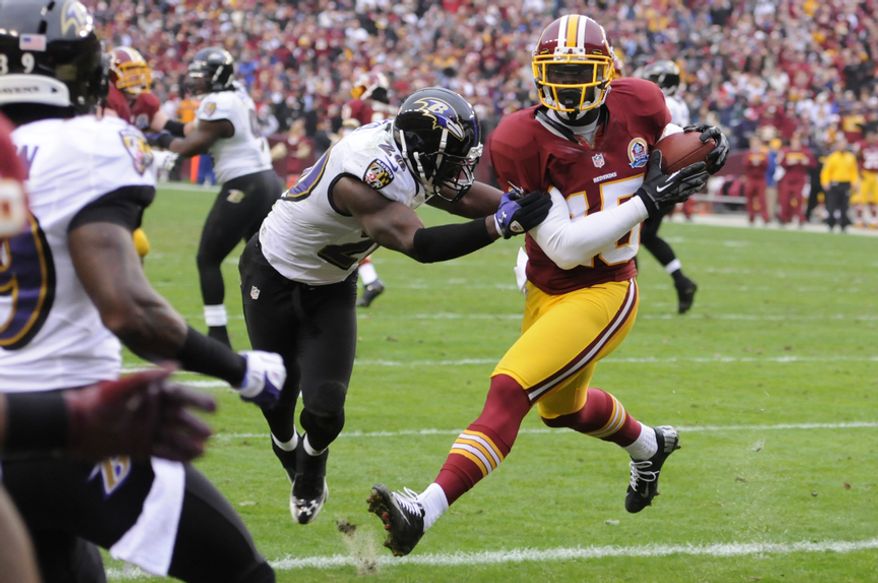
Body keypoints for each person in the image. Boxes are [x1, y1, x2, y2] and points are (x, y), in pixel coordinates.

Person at [367, 14, 726, 557]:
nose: (569, 85)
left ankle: (424, 508)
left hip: (607, 289)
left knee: (510, 389)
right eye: (558, 73)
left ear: (607, 70)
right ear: (538, 74)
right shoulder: (519, 138)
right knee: (562, 411)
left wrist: (705, 148)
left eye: (579, 72)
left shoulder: (642, 101)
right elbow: (562, 246)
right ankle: (650, 445)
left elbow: (674, 141)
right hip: (546, 281)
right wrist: (648, 200)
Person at [0, 3, 284, 581]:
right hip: (81, 427)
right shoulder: (89, 142)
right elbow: (128, 310)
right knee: (245, 574)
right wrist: (240, 369)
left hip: (9, 429)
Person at [239, 86, 551, 526]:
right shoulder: (364, 174)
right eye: (451, 159)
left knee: (326, 409)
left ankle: (311, 464)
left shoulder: (409, 154)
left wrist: (512, 205)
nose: (459, 169)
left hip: (330, 286)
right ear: (421, 152)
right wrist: (498, 225)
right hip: (272, 273)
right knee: (277, 395)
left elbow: (457, 194)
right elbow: (417, 243)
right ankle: (284, 444)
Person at [149, 47, 283, 348]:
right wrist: (161, 123)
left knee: (208, 258)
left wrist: (154, 138)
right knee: (262, 263)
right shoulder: (237, 95)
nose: (196, 80)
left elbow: (190, 146)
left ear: (218, 76)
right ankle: (278, 327)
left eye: (202, 75)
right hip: (267, 181)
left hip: (245, 184)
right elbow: (194, 128)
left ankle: (218, 334)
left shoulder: (218, 102)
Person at [103, 46, 176, 259]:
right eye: (129, 72)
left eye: (138, 71)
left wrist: (191, 131)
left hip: (128, 177)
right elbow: (116, 137)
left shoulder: (145, 101)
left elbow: (167, 126)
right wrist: (152, 144)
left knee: (135, 239)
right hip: (107, 174)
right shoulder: (109, 97)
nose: (136, 78)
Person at [638, 60, 699, 314]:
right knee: (644, 235)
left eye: (654, 79)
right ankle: (682, 282)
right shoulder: (678, 103)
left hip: (659, 177)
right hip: (669, 176)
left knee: (630, 232)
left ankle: (624, 293)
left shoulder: (668, 104)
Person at [342, 71, 397, 308]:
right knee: (357, 230)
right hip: (392, 176)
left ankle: (365, 281)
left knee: (344, 228)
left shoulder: (358, 106)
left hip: (362, 170)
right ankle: (371, 281)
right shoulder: (394, 111)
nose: (357, 93)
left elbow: (346, 140)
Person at [820, 136, 858, 232]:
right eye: (841, 144)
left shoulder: (850, 157)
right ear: (837, 145)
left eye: (844, 144)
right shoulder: (832, 157)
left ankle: (843, 225)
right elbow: (826, 171)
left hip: (846, 184)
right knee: (832, 205)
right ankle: (830, 224)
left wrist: (854, 183)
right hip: (834, 184)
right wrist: (825, 182)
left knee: (844, 206)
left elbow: (853, 172)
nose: (842, 146)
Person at [775, 133, 814, 227]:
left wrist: (806, 162)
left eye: (797, 141)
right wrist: (787, 163)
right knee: (785, 199)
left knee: (799, 198)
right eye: (794, 141)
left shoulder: (805, 152)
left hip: (800, 178)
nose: (795, 143)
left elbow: (813, 164)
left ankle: (800, 218)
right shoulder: (786, 151)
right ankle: (784, 218)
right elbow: (779, 162)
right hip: (788, 177)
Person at [853, 127, 878, 228]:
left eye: (873, 136)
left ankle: (874, 221)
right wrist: (859, 171)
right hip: (865, 174)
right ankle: (859, 220)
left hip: (875, 175)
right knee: (861, 198)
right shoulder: (862, 146)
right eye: (870, 136)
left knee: (875, 199)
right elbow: (857, 160)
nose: (872, 138)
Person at [743, 134, 770, 225]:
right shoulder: (748, 153)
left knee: (762, 199)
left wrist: (760, 162)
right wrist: (752, 162)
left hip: (760, 178)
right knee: (750, 197)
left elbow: (767, 165)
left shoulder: (763, 154)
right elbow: (745, 165)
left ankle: (765, 217)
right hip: (751, 178)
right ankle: (751, 217)